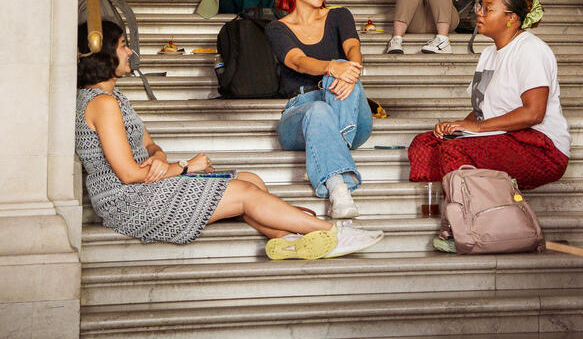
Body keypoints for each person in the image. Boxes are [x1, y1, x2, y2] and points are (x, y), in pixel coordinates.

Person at [76, 19, 381, 260]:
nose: (130, 51)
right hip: (131, 202)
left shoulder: (115, 98)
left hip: (151, 184)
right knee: (246, 194)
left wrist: (156, 159)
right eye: (123, 46)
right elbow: (129, 175)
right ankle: (333, 232)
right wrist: (186, 167)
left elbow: (151, 146)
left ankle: (290, 240)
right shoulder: (102, 104)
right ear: (104, 55)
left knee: (251, 180)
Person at [407, 0, 570, 196]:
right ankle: (450, 208)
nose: (479, 14)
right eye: (479, 7)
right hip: (499, 135)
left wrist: (477, 128)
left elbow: (533, 113)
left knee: (454, 151)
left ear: (511, 18)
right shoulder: (488, 54)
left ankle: (470, 217)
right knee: (424, 144)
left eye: (488, 9)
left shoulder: (530, 49)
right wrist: (456, 126)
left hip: (540, 147)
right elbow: (481, 110)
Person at [266, 0, 376, 221]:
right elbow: (298, 61)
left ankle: (326, 152)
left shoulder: (339, 15)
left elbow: (353, 49)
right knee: (318, 108)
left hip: (349, 108)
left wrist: (349, 71)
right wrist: (331, 68)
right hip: (301, 112)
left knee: (341, 64)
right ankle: (339, 189)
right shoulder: (277, 28)